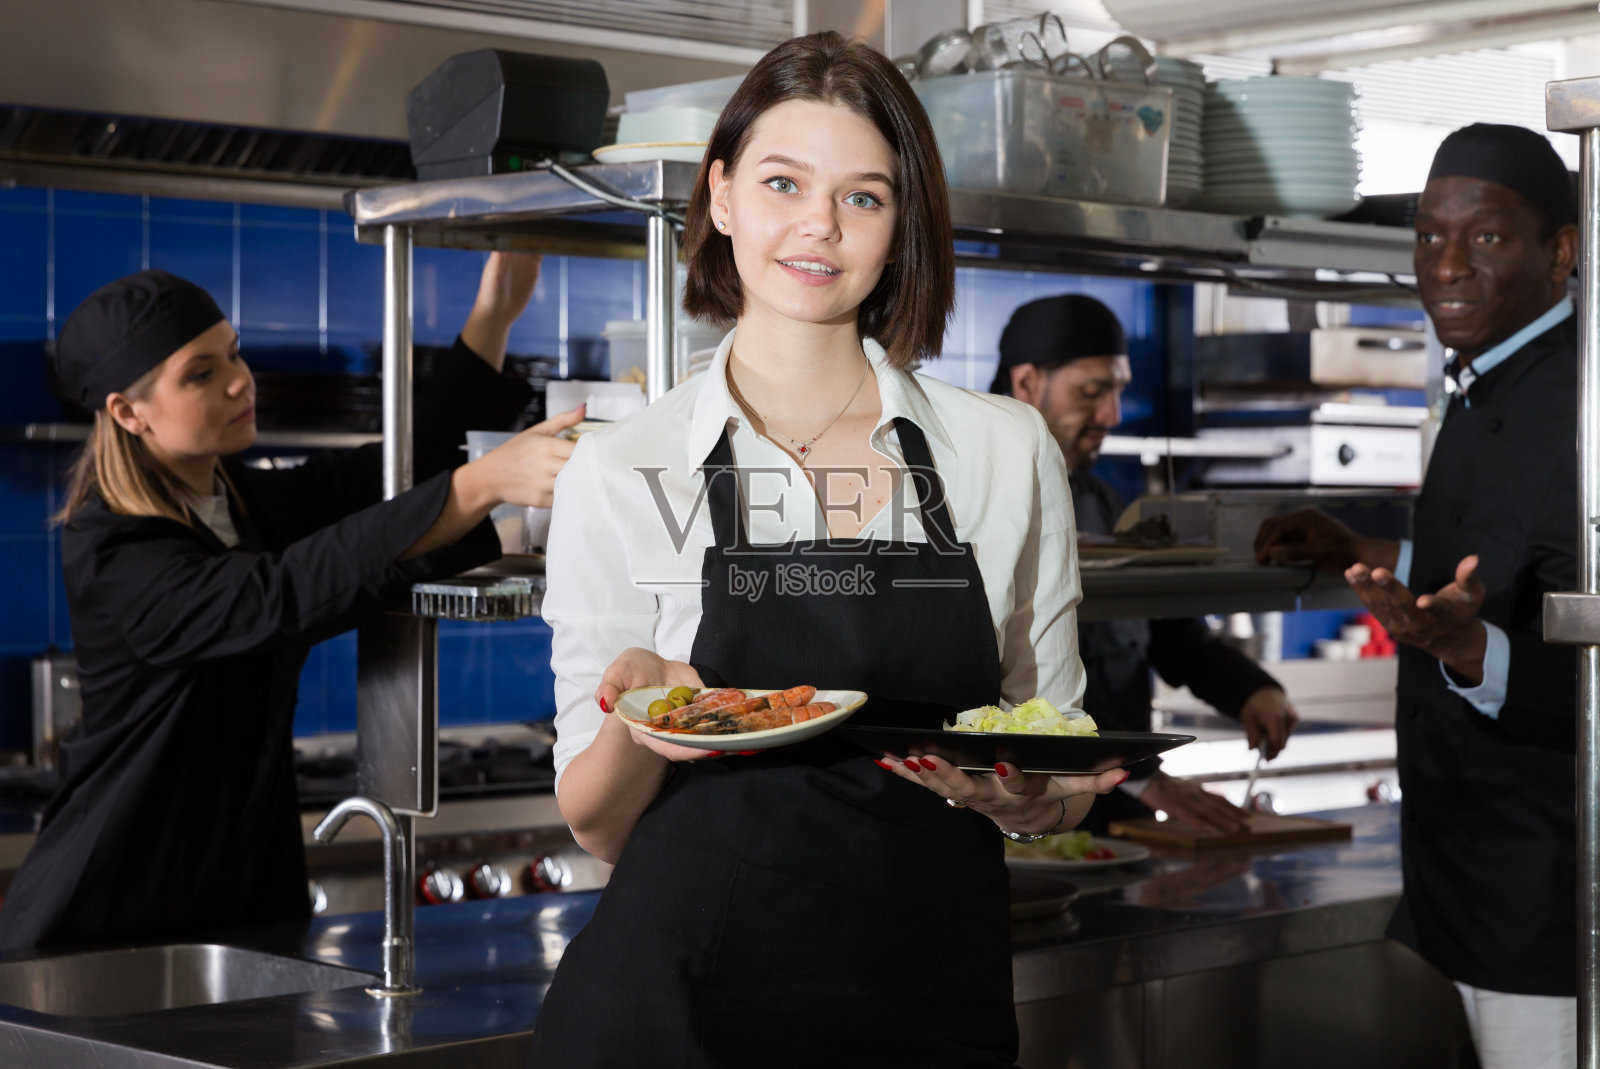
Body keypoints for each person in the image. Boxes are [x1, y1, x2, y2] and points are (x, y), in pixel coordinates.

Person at [530, 32, 1124, 1067]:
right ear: (719, 196)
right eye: (781, 182)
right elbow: (598, 824)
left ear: (900, 227)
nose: (818, 224)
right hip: (680, 1008)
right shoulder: (625, 467)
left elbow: (1055, 742)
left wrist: (1032, 796)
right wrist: (640, 713)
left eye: (862, 196)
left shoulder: (1000, 449)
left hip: (925, 996)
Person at [0, 252, 582, 950]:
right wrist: (476, 487)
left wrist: (494, 315)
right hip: (111, 912)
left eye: (234, 355)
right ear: (128, 412)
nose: (241, 381)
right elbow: (282, 593)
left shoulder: (237, 504)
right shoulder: (115, 550)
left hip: (239, 899)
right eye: (201, 373)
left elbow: (392, 467)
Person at [1254, 123, 1579, 1069]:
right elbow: (1501, 562)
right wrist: (1364, 548)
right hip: (1460, 875)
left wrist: (1464, 648)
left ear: (1560, 251)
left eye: (1486, 236)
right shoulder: (1483, 382)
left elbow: (1576, 639)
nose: (1445, 264)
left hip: (1545, 892)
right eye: (1428, 236)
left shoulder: (1585, 404)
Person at [990, 294, 1298, 834]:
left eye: (1117, 392)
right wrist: (1138, 775)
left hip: (1119, 825)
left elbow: (1170, 636)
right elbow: (996, 684)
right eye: (1092, 392)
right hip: (1023, 817)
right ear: (1026, 384)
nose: (1111, 415)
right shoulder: (970, 506)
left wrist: (1250, 687)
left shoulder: (1106, 505)